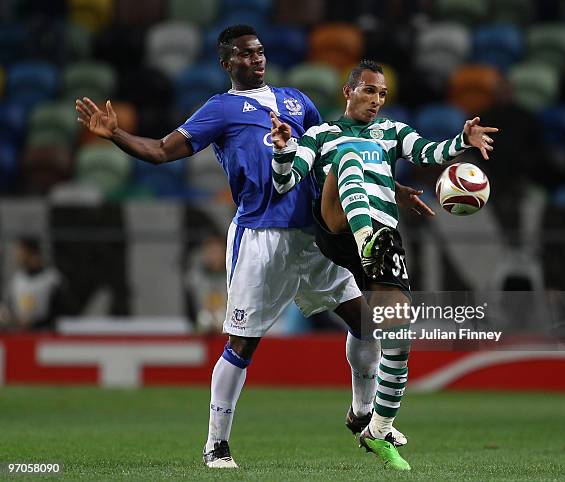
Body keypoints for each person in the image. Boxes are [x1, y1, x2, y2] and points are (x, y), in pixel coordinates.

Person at [75, 25, 429, 469]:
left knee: (365, 321)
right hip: (263, 237)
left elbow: (339, 152)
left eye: (259, 51)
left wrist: (394, 187)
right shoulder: (219, 110)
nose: (255, 59)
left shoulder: (299, 101)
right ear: (227, 63)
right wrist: (117, 135)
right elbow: (163, 151)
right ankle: (215, 445)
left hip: (314, 234)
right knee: (242, 345)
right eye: (244, 55)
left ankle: (361, 414)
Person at [271, 60, 498, 470]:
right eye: (369, 90)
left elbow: (428, 153)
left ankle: (377, 427)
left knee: (397, 333)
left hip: (384, 236)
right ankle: (366, 242)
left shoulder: (393, 132)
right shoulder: (320, 135)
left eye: (381, 94)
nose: (376, 100)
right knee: (350, 160)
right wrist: (284, 150)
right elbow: (286, 181)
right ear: (348, 90)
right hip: (338, 229)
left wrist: (461, 140)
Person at [0, 237, 77, 331]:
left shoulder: (52, 279)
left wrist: (37, 323)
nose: (16, 255)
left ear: (29, 252)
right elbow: (8, 308)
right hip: (20, 335)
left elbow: (65, 311)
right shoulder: (17, 280)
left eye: (20, 251)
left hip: (46, 334)